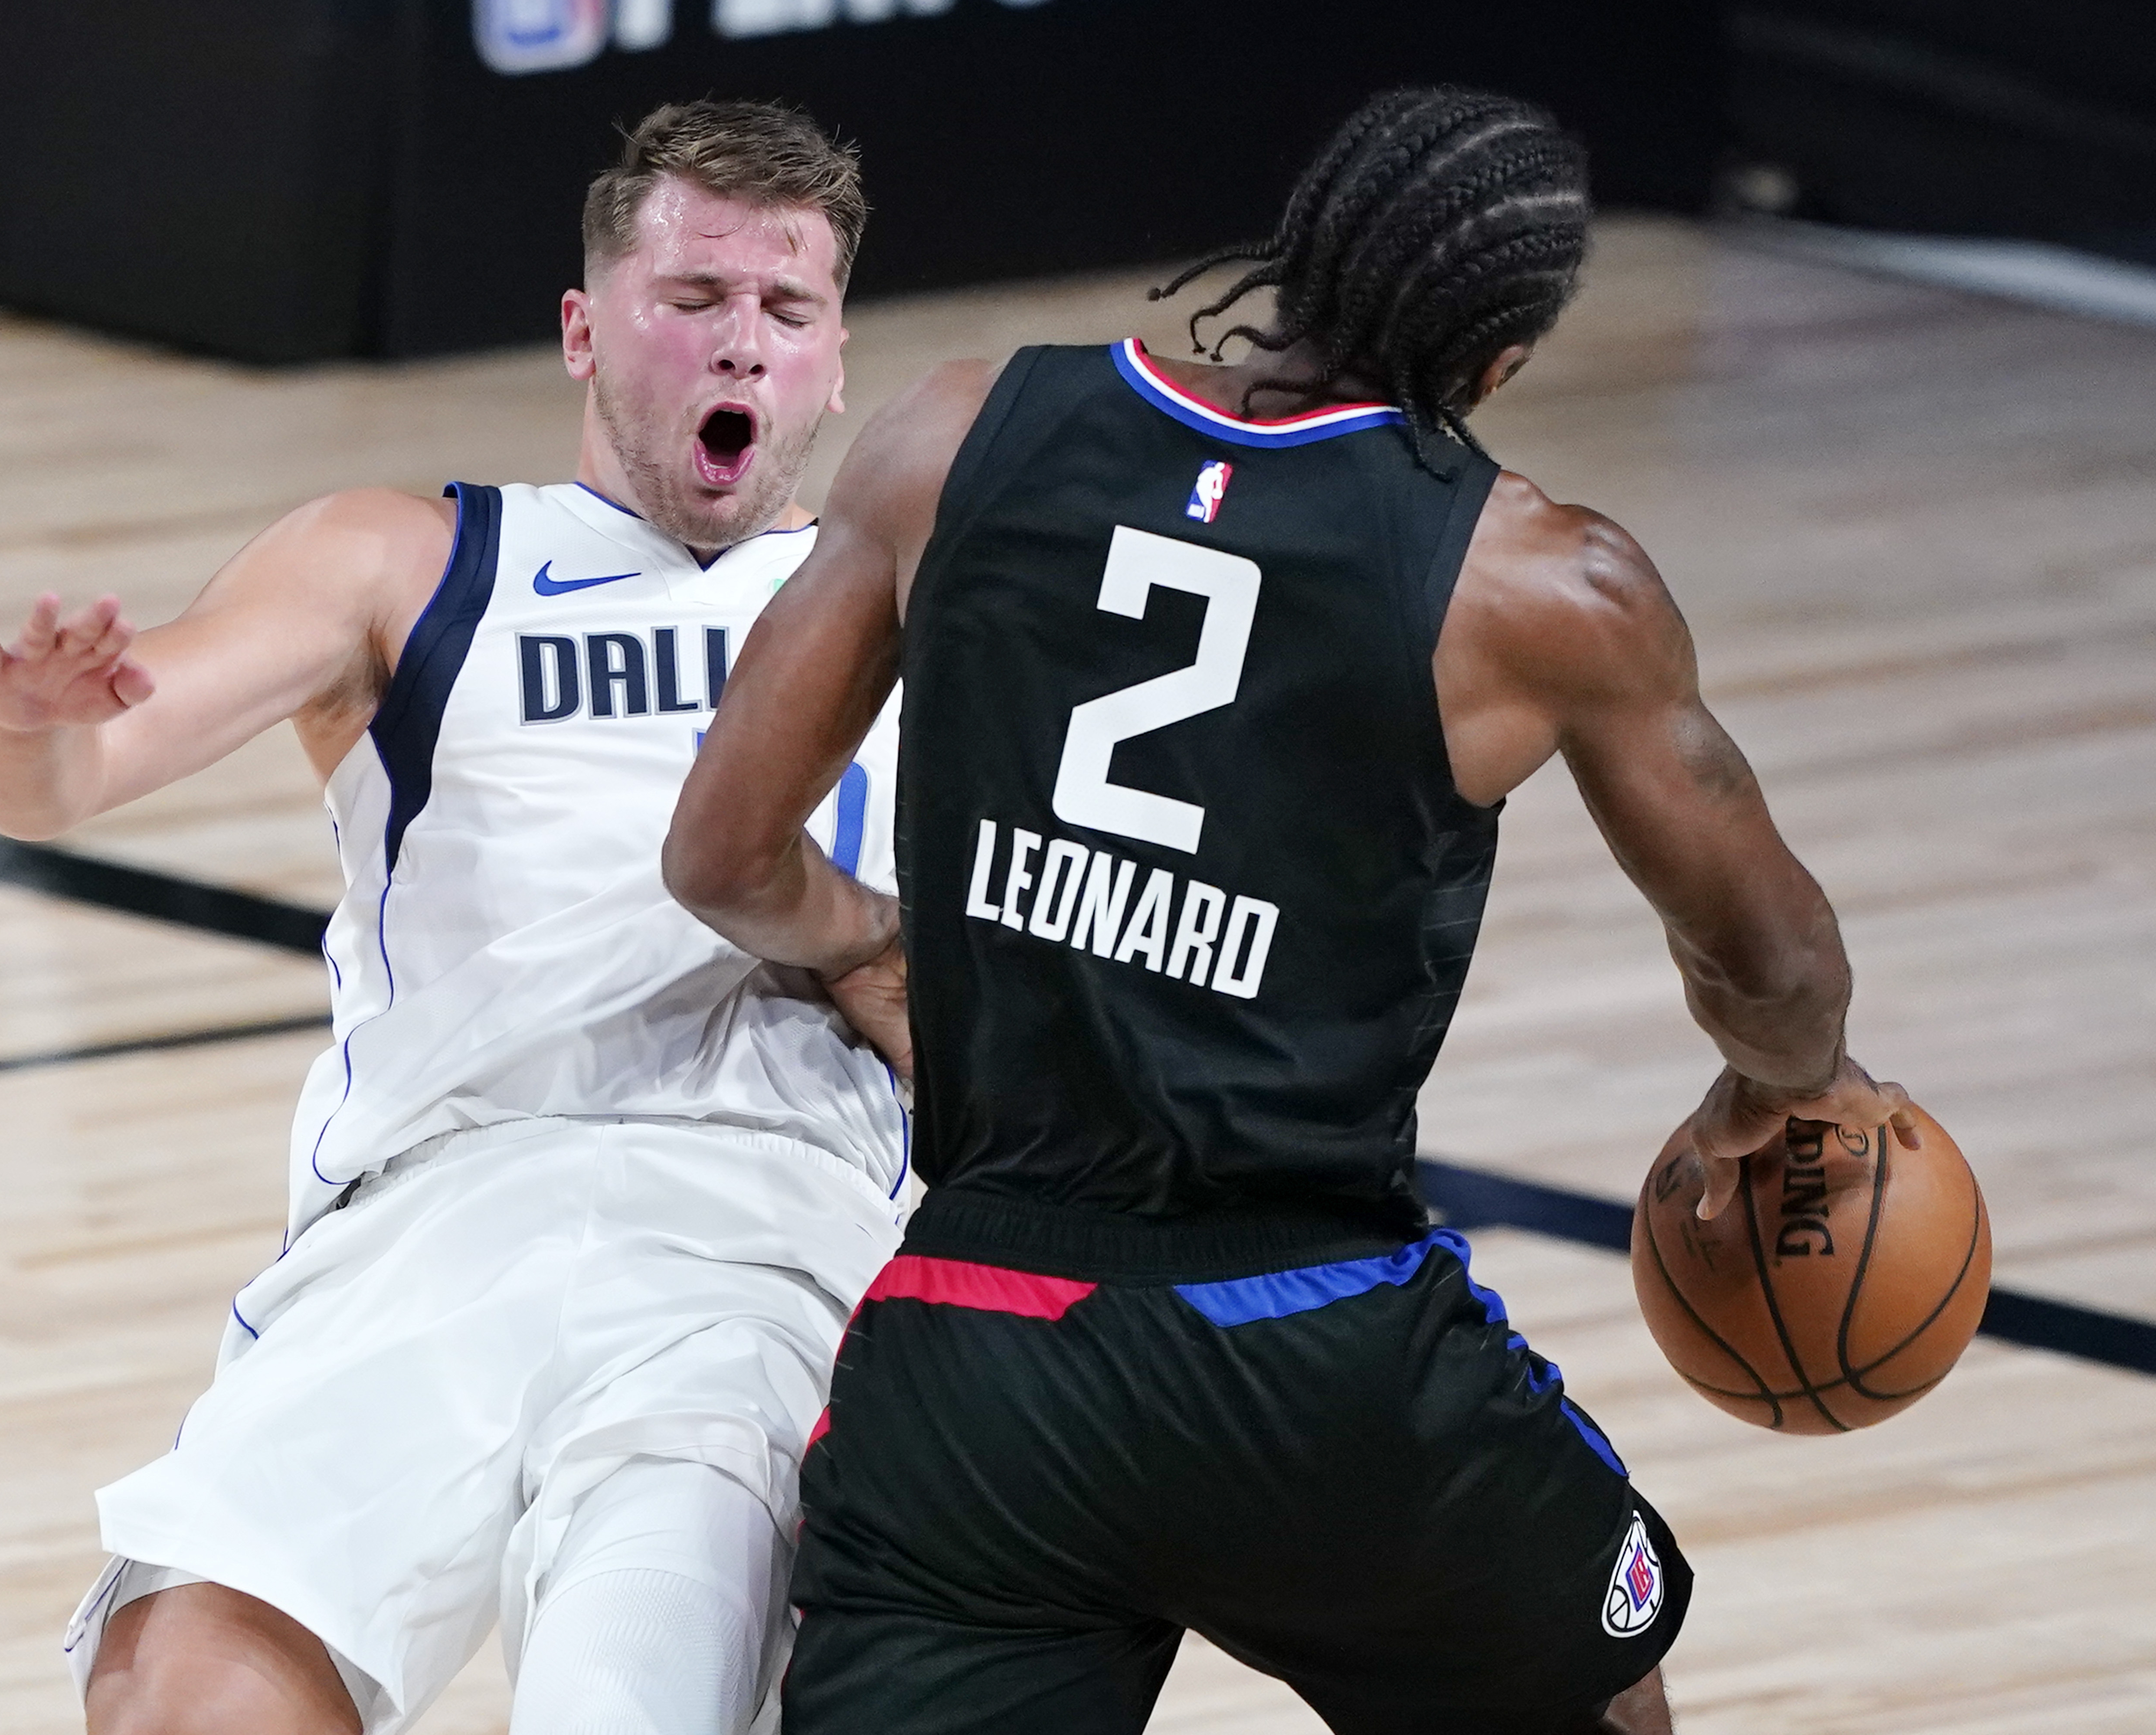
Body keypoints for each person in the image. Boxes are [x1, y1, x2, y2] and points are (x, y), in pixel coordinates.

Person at [662, 85, 1921, 1735]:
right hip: (1312, 1346)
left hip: (979, 1351)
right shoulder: (1543, 586)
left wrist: (873, 944)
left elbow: (725, 859)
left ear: (1294, 248)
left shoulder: (958, 430)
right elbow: (1776, 967)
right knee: (1604, 1701)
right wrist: (1793, 1091)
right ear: (1500, 363)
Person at [0, 100, 907, 1735]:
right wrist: (31, 725)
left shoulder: (912, 602)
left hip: (752, 1234)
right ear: (584, 328)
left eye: (786, 312)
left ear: (832, 361)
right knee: (182, 1691)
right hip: (433, 1210)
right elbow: (66, 778)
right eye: (694, 303)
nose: (740, 348)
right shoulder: (410, 558)